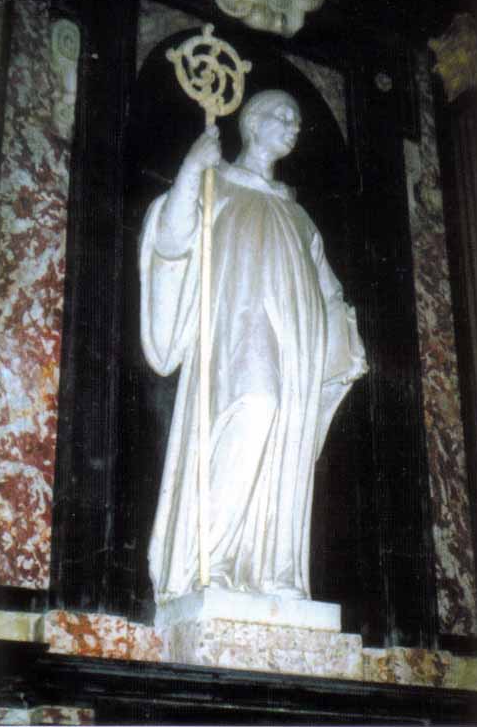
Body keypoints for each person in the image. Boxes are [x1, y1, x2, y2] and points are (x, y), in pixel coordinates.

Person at [140, 90, 367, 609]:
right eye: (282, 116)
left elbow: (328, 289)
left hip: (297, 342)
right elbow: (171, 242)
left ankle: (273, 571)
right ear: (252, 124)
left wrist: (344, 333)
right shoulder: (215, 184)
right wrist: (190, 172)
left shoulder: (299, 215)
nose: (293, 127)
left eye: (297, 121)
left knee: (286, 440)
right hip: (238, 331)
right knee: (256, 407)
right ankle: (211, 557)